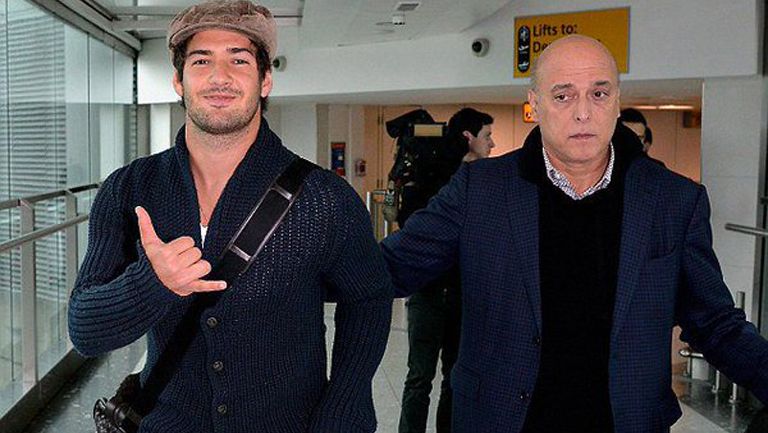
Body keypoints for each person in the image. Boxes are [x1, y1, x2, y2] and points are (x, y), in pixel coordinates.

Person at [381, 35, 768, 433]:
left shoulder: (673, 200)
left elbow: (716, 322)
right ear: (534, 105)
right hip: (500, 420)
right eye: (563, 96)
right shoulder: (480, 190)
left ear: (616, 102)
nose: (583, 112)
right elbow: (390, 267)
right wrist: (318, 248)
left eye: (599, 93)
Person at [68, 1, 393, 432]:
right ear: (178, 82)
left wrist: (345, 402)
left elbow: (368, 298)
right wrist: (153, 283)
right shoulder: (129, 189)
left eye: (238, 60)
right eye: (201, 61)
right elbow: (86, 331)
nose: (220, 77)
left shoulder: (324, 198)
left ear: (265, 79)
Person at [398, 108, 494, 433]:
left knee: (446, 377)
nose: (492, 144)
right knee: (423, 378)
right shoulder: (447, 179)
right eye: (487, 136)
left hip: (453, 293)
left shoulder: (477, 180)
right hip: (433, 293)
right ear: (469, 137)